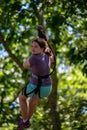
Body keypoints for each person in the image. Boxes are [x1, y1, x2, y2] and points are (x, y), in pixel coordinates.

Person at [18, 25, 55, 130]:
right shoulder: (47, 55)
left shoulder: (33, 58)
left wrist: (27, 60)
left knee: (21, 98)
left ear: (42, 48)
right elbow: (52, 57)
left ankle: (25, 121)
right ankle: (26, 121)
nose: (33, 49)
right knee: (33, 102)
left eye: (36, 47)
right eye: (32, 46)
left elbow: (25, 65)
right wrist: (45, 41)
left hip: (35, 85)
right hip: (47, 88)